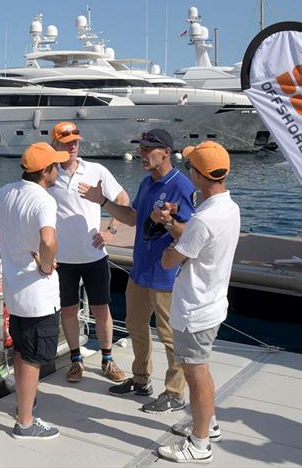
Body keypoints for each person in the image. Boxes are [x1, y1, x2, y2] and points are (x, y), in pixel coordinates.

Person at [78, 128, 195, 414]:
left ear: (166, 152)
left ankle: (175, 392)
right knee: (135, 327)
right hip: (140, 271)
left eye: (148, 149)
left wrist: (168, 222)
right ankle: (142, 380)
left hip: (165, 274)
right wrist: (102, 201)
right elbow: (132, 217)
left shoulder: (182, 186)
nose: (142, 153)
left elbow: (190, 234)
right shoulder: (146, 184)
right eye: (140, 148)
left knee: (169, 336)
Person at [156, 140, 240, 464]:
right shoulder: (228, 208)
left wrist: (167, 241)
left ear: (200, 177)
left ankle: (200, 444)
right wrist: (173, 223)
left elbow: (170, 259)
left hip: (195, 309)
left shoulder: (204, 219)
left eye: (191, 166)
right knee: (199, 372)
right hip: (212, 304)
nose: (188, 170)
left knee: (196, 374)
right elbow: (194, 239)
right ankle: (210, 423)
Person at [0, 141, 69, 440]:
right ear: (46, 171)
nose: (58, 169)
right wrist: (46, 266)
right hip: (37, 296)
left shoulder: (7, 191)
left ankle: (24, 402)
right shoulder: (44, 201)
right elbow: (48, 241)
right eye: (55, 165)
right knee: (33, 358)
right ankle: (25, 423)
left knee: (22, 350)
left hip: (15, 293)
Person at [47, 122, 129, 384]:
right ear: (55, 145)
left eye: (75, 141)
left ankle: (107, 359)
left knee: (101, 309)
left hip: (94, 256)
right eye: (66, 142)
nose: (72, 146)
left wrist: (111, 230)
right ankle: (76, 361)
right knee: (69, 311)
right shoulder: (47, 175)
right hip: (63, 261)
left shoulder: (96, 171)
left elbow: (123, 199)